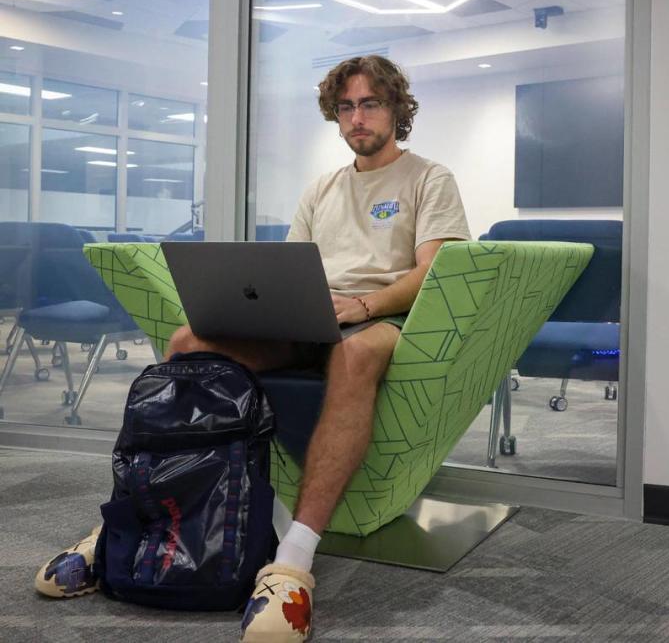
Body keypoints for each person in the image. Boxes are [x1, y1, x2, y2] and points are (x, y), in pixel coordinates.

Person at [34, 55, 471, 643]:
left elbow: (433, 272)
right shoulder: (323, 188)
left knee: (353, 354)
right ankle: (127, 522)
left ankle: (294, 557)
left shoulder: (428, 178)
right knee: (189, 340)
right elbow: (287, 269)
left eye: (370, 104)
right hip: (305, 317)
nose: (357, 117)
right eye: (346, 107)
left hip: (379, 318)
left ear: (396, 108)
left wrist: (365, 305)